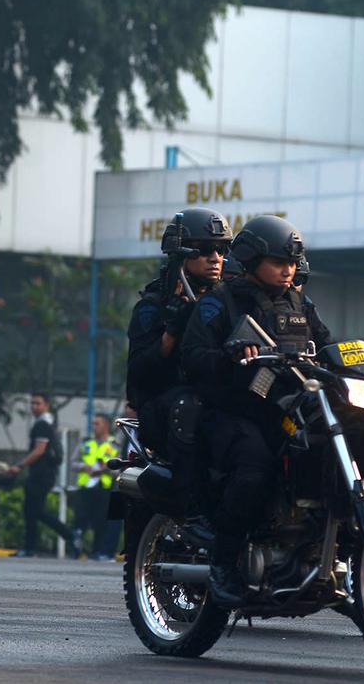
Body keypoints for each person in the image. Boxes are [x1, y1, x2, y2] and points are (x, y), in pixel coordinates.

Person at [181, 215, 364, 606]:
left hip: (289, 406)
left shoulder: (299, 301)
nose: (288, 269)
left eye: (292, 262)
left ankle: (325, 547)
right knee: (255, 466)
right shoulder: (219, 301)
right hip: (235, 411)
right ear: (251, 259)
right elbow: (192, 359)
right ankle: (223, 561)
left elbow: (330, 347)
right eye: (278, 261)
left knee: (330, 448)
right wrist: (228, 354)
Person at [126, 207, 232, 525]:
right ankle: (192, 510)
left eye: (222, 249)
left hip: (220, 397)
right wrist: (171, 333)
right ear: (181, 254)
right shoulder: (153, 307)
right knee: (190, 408)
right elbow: (139, 374)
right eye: (203, 250)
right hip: (166, 407)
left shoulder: (228, 299)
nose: (215, 257)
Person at [8, 392, 78, 557]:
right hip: (43, 474)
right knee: (33, 512)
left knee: (34, 511)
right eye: (32, 403)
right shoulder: (48, 422)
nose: (34, 407)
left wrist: (19, 466)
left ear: (46, 405)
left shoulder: (42, 425)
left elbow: (39, 450)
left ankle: (67, 536)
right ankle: (32, 547)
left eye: (37, 403)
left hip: (41, 475)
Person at [74, 413, 120, 561]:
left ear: (106, 425)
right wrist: (83, 466)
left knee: (100, 521)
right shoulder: (86, 442)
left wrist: (105, 468)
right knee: (80, 519)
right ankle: (76, 550)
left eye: (97, 424)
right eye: (93, 424)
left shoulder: (114, 445)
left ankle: (97, 551)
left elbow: (119, 469)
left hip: (103, 487)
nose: (94, 427)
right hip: (86, 487)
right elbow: (73, 463)